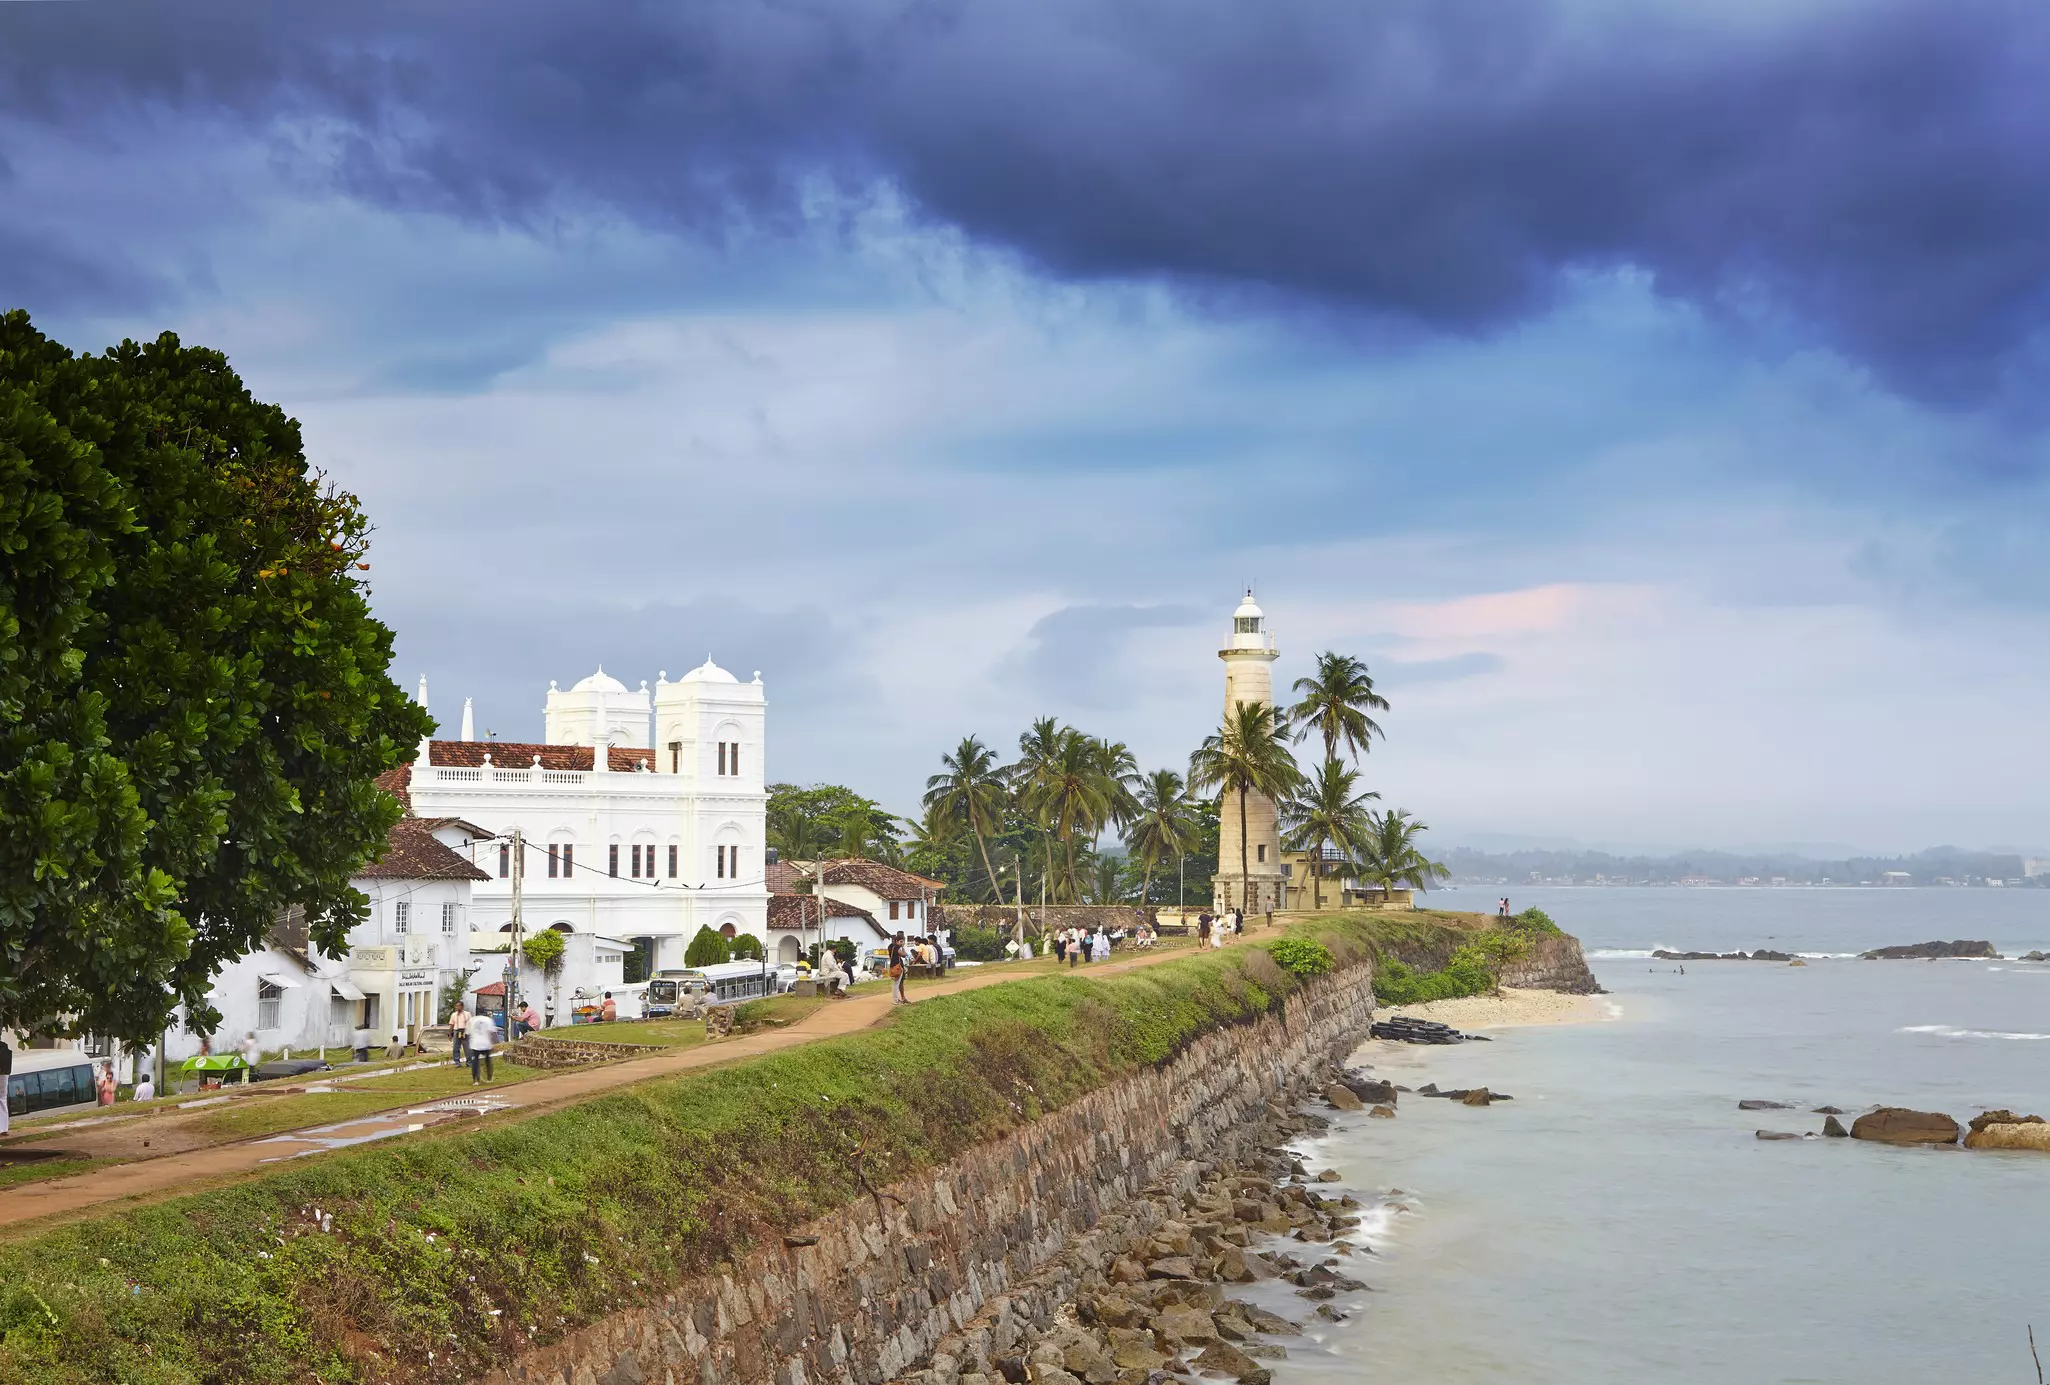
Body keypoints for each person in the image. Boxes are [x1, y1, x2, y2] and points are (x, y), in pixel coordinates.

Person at [466, 1007, 498, 1084]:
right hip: (486, 1043)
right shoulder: (488, 1020)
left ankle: (475, 1080)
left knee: (475, 1061)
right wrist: (494, 1044)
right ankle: (489, 1078)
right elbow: (493, 1033)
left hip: (475, 1044)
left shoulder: (472, 1020)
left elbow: (467, 1033)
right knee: (487, 1060)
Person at [888, 932, 908, 1005]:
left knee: (895, 984)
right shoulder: (898, 947)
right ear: (897, 941)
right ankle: (895, 1000)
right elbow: (904, 955)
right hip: (898, 967)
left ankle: (896, 999)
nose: (902, 943)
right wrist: (902, 947)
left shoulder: (891, 947)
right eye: (901, 941)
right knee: (896, 984)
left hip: (892, 966)